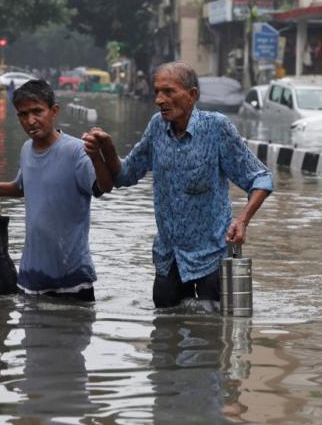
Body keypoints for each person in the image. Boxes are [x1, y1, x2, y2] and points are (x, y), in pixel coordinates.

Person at [83, 62, 272, 309]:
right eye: (157, 92)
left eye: (169, 92)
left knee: (211, 335)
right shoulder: (157, 127)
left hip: (212, 255)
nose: (160, 99)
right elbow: (125, 176)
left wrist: (242, 221)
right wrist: (105, 148)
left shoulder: (217, 128)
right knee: (164, 334)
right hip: (169, 256)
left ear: (192, 95)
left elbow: (261, 178)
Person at [0, 79, 113, 302]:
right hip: (31, 278)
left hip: (72, 280)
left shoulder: (76, 151)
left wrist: (97, 156)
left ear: (54, 110)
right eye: (23, 114)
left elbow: (103, 186)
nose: (30, 120)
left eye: (37, 111)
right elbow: (22, 187)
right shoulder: (26, 150)